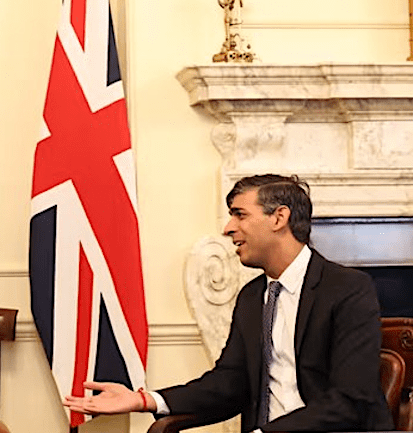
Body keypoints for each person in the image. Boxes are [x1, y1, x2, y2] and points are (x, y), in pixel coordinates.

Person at [63, 174, 393, 432]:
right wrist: (142, 399)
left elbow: (351, 398)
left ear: (279, 218)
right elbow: (229, 383)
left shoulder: (348, 289)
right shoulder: (253, 297)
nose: (228, 228)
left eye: (240, 215)